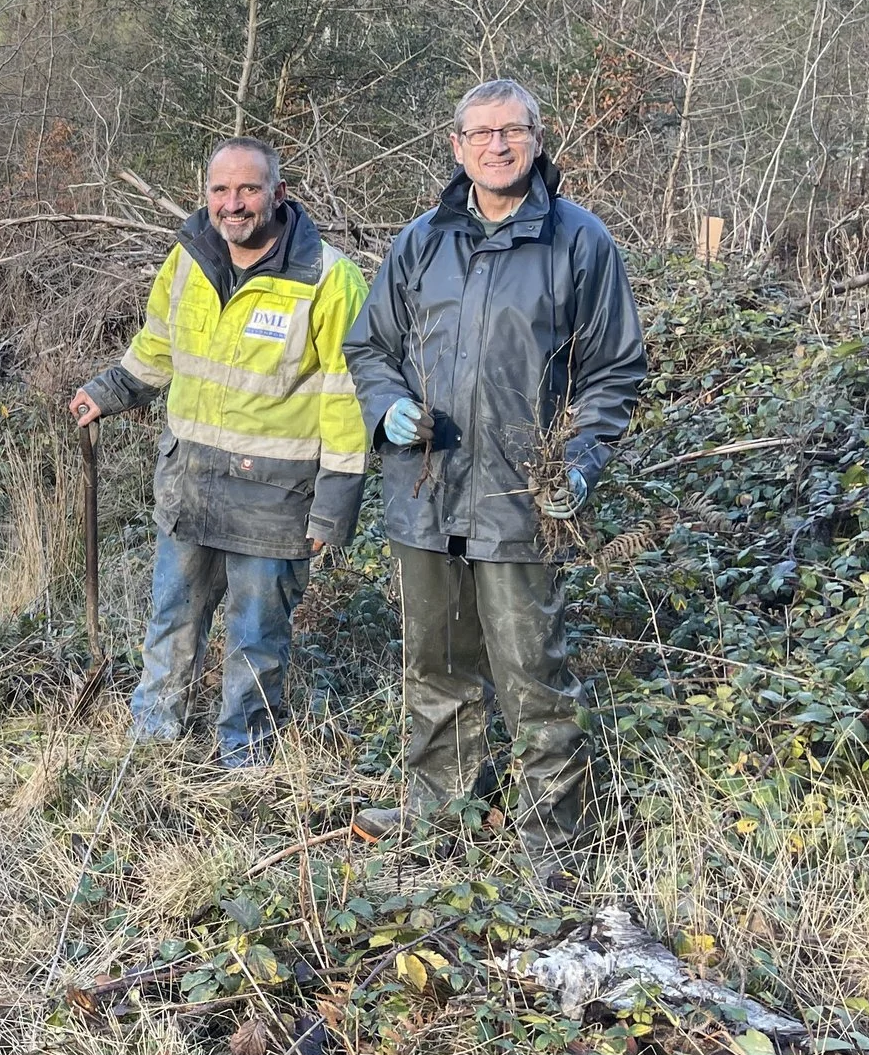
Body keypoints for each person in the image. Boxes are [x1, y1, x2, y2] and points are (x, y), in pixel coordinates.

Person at [343, 78, 647, 869]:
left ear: (538, 139)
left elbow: (615, 370)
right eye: (481, 133)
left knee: (532, 673)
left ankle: (553, 844)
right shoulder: (420, 242)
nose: (498, 145)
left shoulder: (581, 243)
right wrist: (388, 408)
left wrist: (576, 465)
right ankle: (438, 812)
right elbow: (369, 347)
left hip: (521, 501)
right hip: (426, 492)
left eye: (513, 131)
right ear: (456, 145)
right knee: (434, 664)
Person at [66, 139, 370, 767]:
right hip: (192, 480)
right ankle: (152, 740)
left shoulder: (327, 278)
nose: (234, 204)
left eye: (249, 189)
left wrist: (336, 499)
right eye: (221, 191)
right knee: (172, 618)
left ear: (277, 194)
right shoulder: (188, 259)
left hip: (276, 495)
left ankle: (243, 757)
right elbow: (159, 346)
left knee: (257, 636)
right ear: (205, 197)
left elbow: (349, 395)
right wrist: (108, 391)